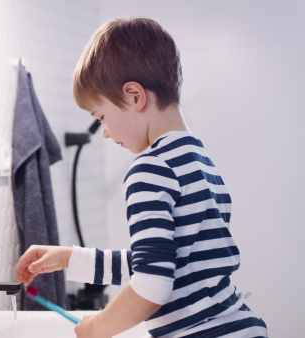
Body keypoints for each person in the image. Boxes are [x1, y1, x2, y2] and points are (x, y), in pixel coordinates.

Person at [16, 18, 268, 338]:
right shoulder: (199, 161)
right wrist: (70, 258)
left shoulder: (150, 169)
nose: (105, 133)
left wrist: (97, 328)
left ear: (135, 96)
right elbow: (163, 264)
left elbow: (152, 286)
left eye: (102, 117)